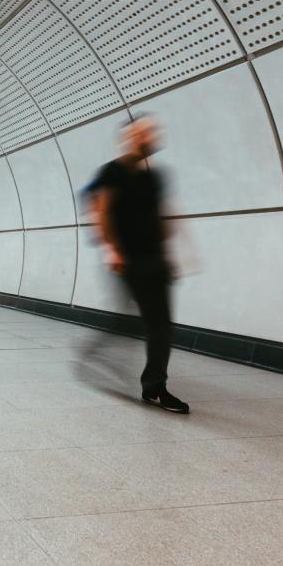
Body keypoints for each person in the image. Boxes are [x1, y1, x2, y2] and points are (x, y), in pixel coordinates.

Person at [87, 113, 189, 414]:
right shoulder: (111, 172)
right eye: (141, 133)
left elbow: (159, 215)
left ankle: (155, 388)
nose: (148, 138)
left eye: (151, 132)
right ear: (127, 139)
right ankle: (98, 355)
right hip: (126, 259)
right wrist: (111, 249)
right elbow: (101, 211)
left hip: (154, 258)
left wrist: (169, 253)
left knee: (161, 326)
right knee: (133, 321)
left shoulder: (156, 176)